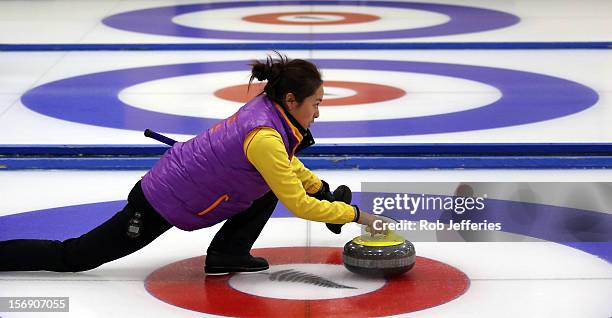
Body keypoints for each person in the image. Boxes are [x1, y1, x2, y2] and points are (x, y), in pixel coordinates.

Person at [0, 53, 383, 274]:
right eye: (316, 102)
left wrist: (319, 187)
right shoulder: (265, 136)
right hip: (160, 202)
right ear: (289, 99)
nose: (319, 111)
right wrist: (355, 215)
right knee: (75, 256)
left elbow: (286, 167)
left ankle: (226, 254)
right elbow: (296, 202)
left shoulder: (268, 111)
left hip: (182, 185)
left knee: (267, 187)